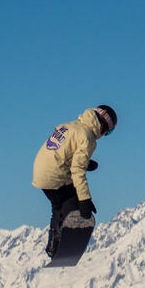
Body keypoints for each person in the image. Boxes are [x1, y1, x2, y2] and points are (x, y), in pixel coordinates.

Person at [32, 105, 117, 257]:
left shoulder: (68, 125)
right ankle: (62, 246)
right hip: (55, 175)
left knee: (58, 205)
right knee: (73, 204)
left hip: (40, 171)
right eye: (107, 132)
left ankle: (53, 245)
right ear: (102, 125)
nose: (104, 135)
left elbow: (61, 150)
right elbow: (77, 171)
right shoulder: (88, 137)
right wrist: (85, 200)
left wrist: (86, 162)